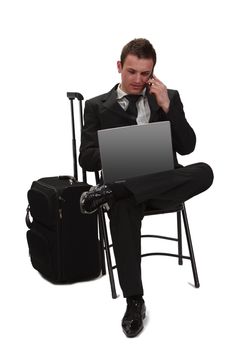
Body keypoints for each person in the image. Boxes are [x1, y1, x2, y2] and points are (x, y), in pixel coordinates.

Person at [79, 38, 214, 337]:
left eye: (145, 73)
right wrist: (120, 149)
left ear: (153, 72)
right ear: (119, 67)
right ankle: (134, 302)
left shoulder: (167, 97)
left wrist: (167, 105)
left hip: (164, 184)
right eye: (132, 72)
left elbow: (187, 147)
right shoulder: (96, 106)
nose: (139, 80)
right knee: (123, 205)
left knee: (205, 172)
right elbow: (86, 158)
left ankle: (117, 191)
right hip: (125, 189)